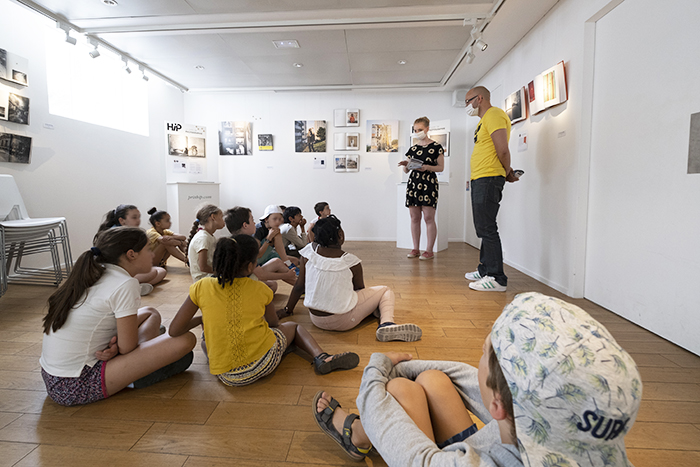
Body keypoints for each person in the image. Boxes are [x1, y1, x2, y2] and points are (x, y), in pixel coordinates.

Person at [313, 292, 642, 465]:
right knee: (433, 380)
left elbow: (418, 459)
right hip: (480, 444)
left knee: (397, 389)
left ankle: (358, 434)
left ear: (498, 404)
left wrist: (378, 368)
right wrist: (408, 367)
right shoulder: (587, 434)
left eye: (484, 351)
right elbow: (472, 381)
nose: (478, 357)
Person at [169, 234, 360, 386]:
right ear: (252, 266)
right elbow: (273, 324)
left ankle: (220, 356)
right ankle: (321, 357)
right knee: (292, 327)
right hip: (263, 363)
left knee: (205, 340)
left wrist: (202, 319)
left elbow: (174, 330)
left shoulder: (200, 287)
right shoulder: (261, 288)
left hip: (226, 376)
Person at [40, 227, 196, 407]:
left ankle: (140, 361)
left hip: (54, 378)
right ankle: (134, 376)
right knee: (185, 340)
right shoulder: (125, 284)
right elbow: (128, 348)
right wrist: (120, 348)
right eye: (147, 249)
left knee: (151, 313)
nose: (152, 255)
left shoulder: (96, 272)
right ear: (131, 254)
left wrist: (116, 346)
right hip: (75, 385)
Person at [284, 215, 422, 341]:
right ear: (340, 235)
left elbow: (298, 286)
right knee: (385, 291)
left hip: (315, 319)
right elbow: (359, 290)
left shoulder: (308, 253)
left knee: (365, 300)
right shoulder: (350, 261)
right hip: (343, 321)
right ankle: (387, 323)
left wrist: (287, 309)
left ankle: (377, 310)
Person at [463, 86, 519, 292]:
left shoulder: (494, 114)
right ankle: (485, 268)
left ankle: (497, 278)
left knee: (487, 227)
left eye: (468, 101)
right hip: (480, 178)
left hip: (488, 177)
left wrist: (507, 171)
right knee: (483, 226)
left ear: (479, 98)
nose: (467, 106)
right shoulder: (482, 122)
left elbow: (502, 148)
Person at [398, 117, 445, 261]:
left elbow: (441, 167)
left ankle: (429, 250)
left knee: (429, 217)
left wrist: (426, 167)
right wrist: (405, 164)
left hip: (429, 183)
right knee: (414, 217)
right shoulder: (413, 149)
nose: (417, 132)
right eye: (415, 130)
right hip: (414, 184)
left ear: (427, 129)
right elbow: (406, 171)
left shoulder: (437, 147)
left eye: (419, 129)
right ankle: (415, 248)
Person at [96, 204, 167, 295]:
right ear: (122, 220)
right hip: (116, 273)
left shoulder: (128, 233)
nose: (138, 221)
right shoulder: (117, 236)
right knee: (153, 272)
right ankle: (130, 287)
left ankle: (136, 287)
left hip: (121, 272)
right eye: (134, 218)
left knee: (161, 271)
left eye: (138, 217)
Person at [224, 206, 297, 289]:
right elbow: (261, 274)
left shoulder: (233, 240)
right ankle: (302, 288)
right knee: (276, 266)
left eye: (280, 218)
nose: (255, 223)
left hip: (236, 280)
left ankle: (301, 286)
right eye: (252, 220)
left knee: (273, 285)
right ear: (245, 225)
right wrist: (286, 275)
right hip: (240, 283)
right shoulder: (248, 243)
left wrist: (287, 265)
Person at [187, 204, 225, 282]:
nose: (223, 220)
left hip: (209, 276)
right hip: (203, 280)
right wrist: (222, 272)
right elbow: (203, 267)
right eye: (221, 217)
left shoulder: (209, 236)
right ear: (213, 217)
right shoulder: (203, 238)